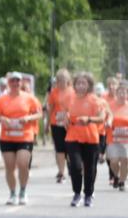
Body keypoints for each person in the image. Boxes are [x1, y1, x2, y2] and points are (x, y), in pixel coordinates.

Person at [0, 72, 43, 206]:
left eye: (17, 81)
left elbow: (39, 114)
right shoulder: (2, 100)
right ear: (8, 83)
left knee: (22, 164)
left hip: (25, 135)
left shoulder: (29, 98)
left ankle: (23, 191)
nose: (15, 84)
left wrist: (28, 118)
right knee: (9, 167)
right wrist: (3, 119)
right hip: (7, 137)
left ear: (21, 83)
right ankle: (12, 193)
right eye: (12, 81)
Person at [65, 72, 105, 207]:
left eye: (84, 83)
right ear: (74, 85)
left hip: (90, 138)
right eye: (78, 83)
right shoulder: (70, 99)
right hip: (72, 137)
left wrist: (88, 119)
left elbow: (101, 118)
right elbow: (66, 115)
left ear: (89, 85)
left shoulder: (94, 100)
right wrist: (65, 119)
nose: (81, 86)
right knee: (75, 166)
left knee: (90, 168)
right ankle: (77, 193)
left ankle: (88, 195)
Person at [46, 69, 74, 183]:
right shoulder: (54, 92)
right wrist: (47, 124)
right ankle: (61, 172)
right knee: (59, 149)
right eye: (59, 80)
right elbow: (50, 109)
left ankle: (72, 168)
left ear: (68, 80)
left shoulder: (73, 92)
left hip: (70, 124)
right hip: (56, 123)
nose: (61, 83)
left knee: (70, 148)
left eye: (64, 80)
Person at [107, 81, 128, 191]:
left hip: (126, 140)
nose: (122, 94)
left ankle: (122, 182)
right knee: (113, 161)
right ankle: (117, 175)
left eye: (124, 92)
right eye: (120, 92)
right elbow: (107, 117)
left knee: (125, 160)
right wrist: (108, 122)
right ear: (116, 93)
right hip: (113, 138)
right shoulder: (110, 106)